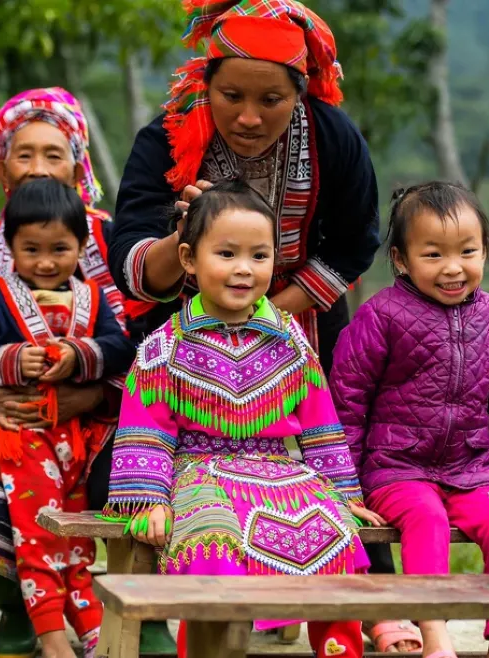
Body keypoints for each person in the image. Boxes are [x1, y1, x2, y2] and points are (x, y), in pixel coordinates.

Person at [106, 0, 417, 650]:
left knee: (339, 457)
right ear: (204, 83)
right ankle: (169, 616)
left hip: (300, 313)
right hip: (190, 328)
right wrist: (181, 240)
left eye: (271, 99)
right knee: (155, 479)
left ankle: (371, 605)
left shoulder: (333, 136)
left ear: (299, 95)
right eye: (232, 96)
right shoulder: (164, 139)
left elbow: (357, 240)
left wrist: (275, 314)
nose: (249, 116)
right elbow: (131, 262)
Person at [105, 180, 382, 658]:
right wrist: (149, 500)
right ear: (189, 260)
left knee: (333, 533)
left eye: (259, 256)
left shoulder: (291, 340)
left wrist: (344, 494)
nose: (243, 270)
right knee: (211, 545)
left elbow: (321, 425)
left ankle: (340, 650)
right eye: (227, 254)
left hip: (286, 474)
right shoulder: (164, 348)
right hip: (198, 475)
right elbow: (146, 431)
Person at [0, 87, 172, 657]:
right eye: (22, 153)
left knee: (133, 477)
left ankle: (141, 613)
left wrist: (91, 385)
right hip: (14, 419)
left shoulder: (109, 240)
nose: (37, 168)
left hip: (110, 416)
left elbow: (139, 343)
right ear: (1, 164)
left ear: (78, 161)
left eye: (53, 153)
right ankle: (22, 610)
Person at [330, 182, 489, 658]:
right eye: (433, 254)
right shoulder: (379, 317)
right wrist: (343, 486)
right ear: (401, 259)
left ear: (485, 252)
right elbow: (346, 404)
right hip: (395, 470)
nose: (453, 267)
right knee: (425, 521)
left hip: (470, 470)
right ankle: (435, 638)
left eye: (467, 251)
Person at [0, 178, 136, 658]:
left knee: (74, 529)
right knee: (37, 529)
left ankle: (88, 617)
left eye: (61, 248)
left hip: (78, 436)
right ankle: (49, 628)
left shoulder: (94, 299)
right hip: (21, 435)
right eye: (31, 249)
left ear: (82, 245)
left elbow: (120, 349)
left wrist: (78, 356)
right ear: (10, 246)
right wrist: (12, 359)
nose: (47, 261)